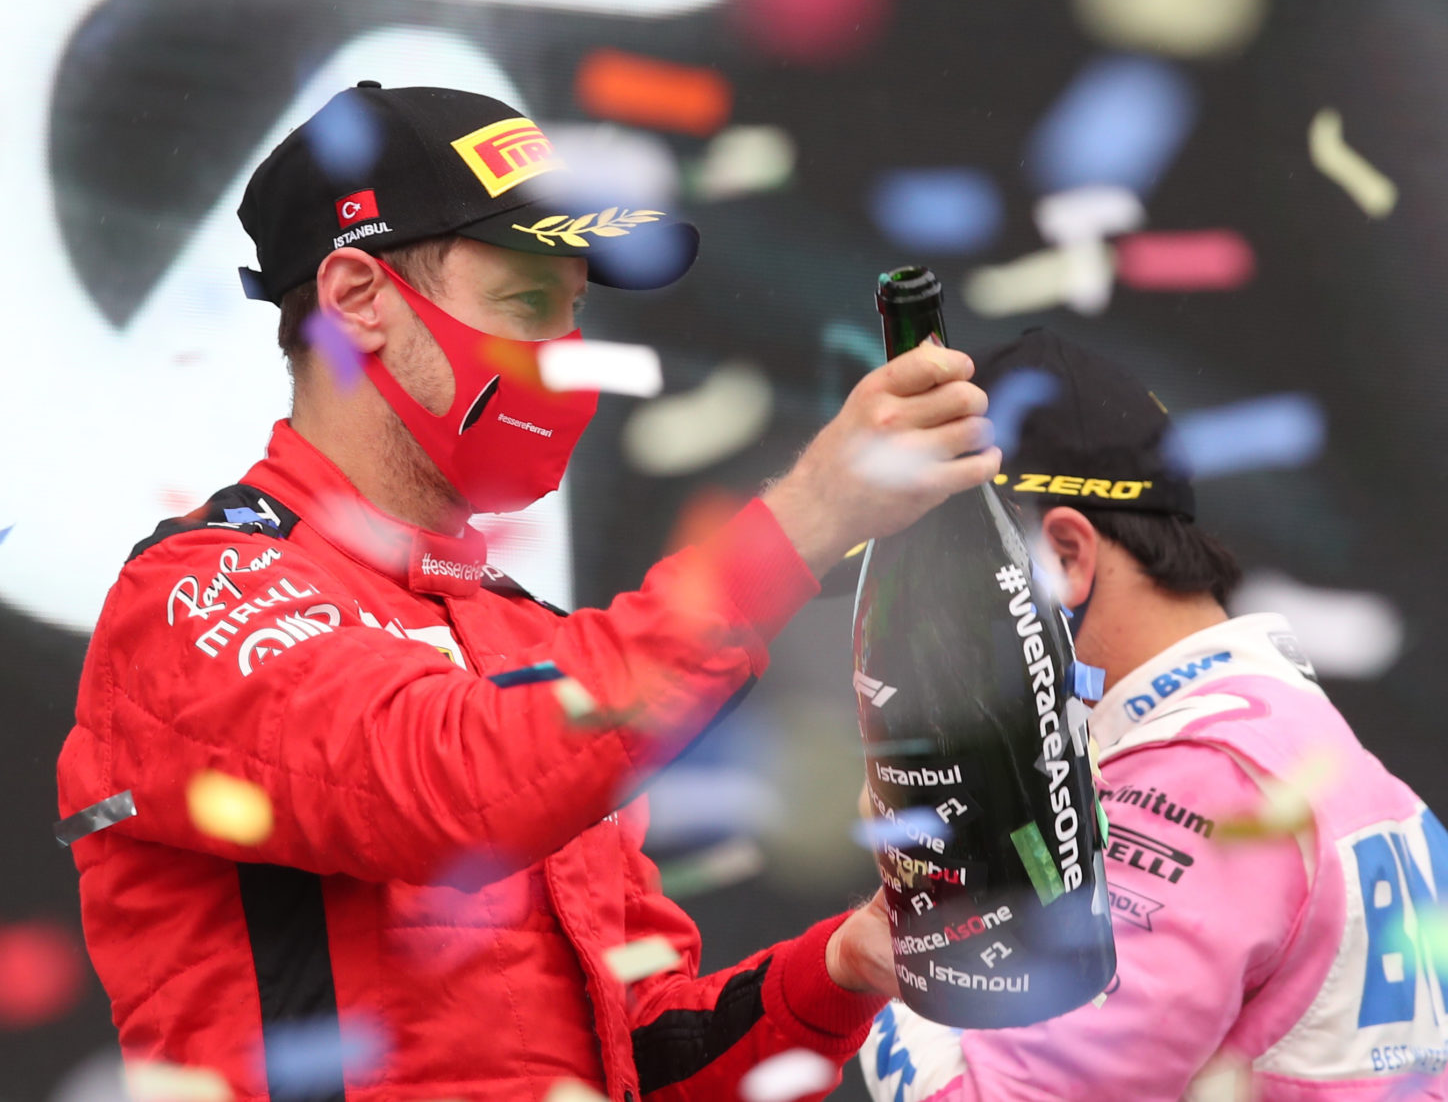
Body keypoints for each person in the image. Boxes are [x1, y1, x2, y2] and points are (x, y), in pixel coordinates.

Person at [55, 83, 1001, 1102]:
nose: (564, 356)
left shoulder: (525, 639)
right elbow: (456, 792)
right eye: (524, 305)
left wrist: (842, 965)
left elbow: (634, 1057)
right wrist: (807, 514)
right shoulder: (194, 596)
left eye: (573, 310)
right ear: (355, 298)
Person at [860, 328, 1448, 1102]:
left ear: (1065, 555)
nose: (923, 635)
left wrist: (912, 927)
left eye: (942, 587)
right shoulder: (1277, 739)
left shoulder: (1201, 786)